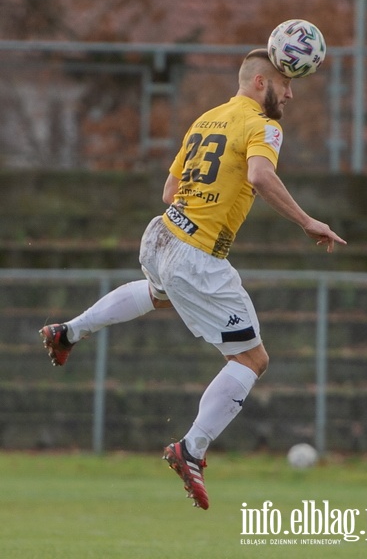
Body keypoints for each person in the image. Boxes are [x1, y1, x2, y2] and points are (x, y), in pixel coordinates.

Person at [40, 48, 346, 510]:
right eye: (286, 84)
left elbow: (169, 190)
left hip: (162, 233)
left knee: (160, 295)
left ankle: (69, 331)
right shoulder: (264, 125)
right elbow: (261, 177)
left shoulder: (207, 119)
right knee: (252, 359)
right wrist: (306, 221)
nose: (292, 94)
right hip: (198, 254)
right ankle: (192, 449)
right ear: (261, 83)